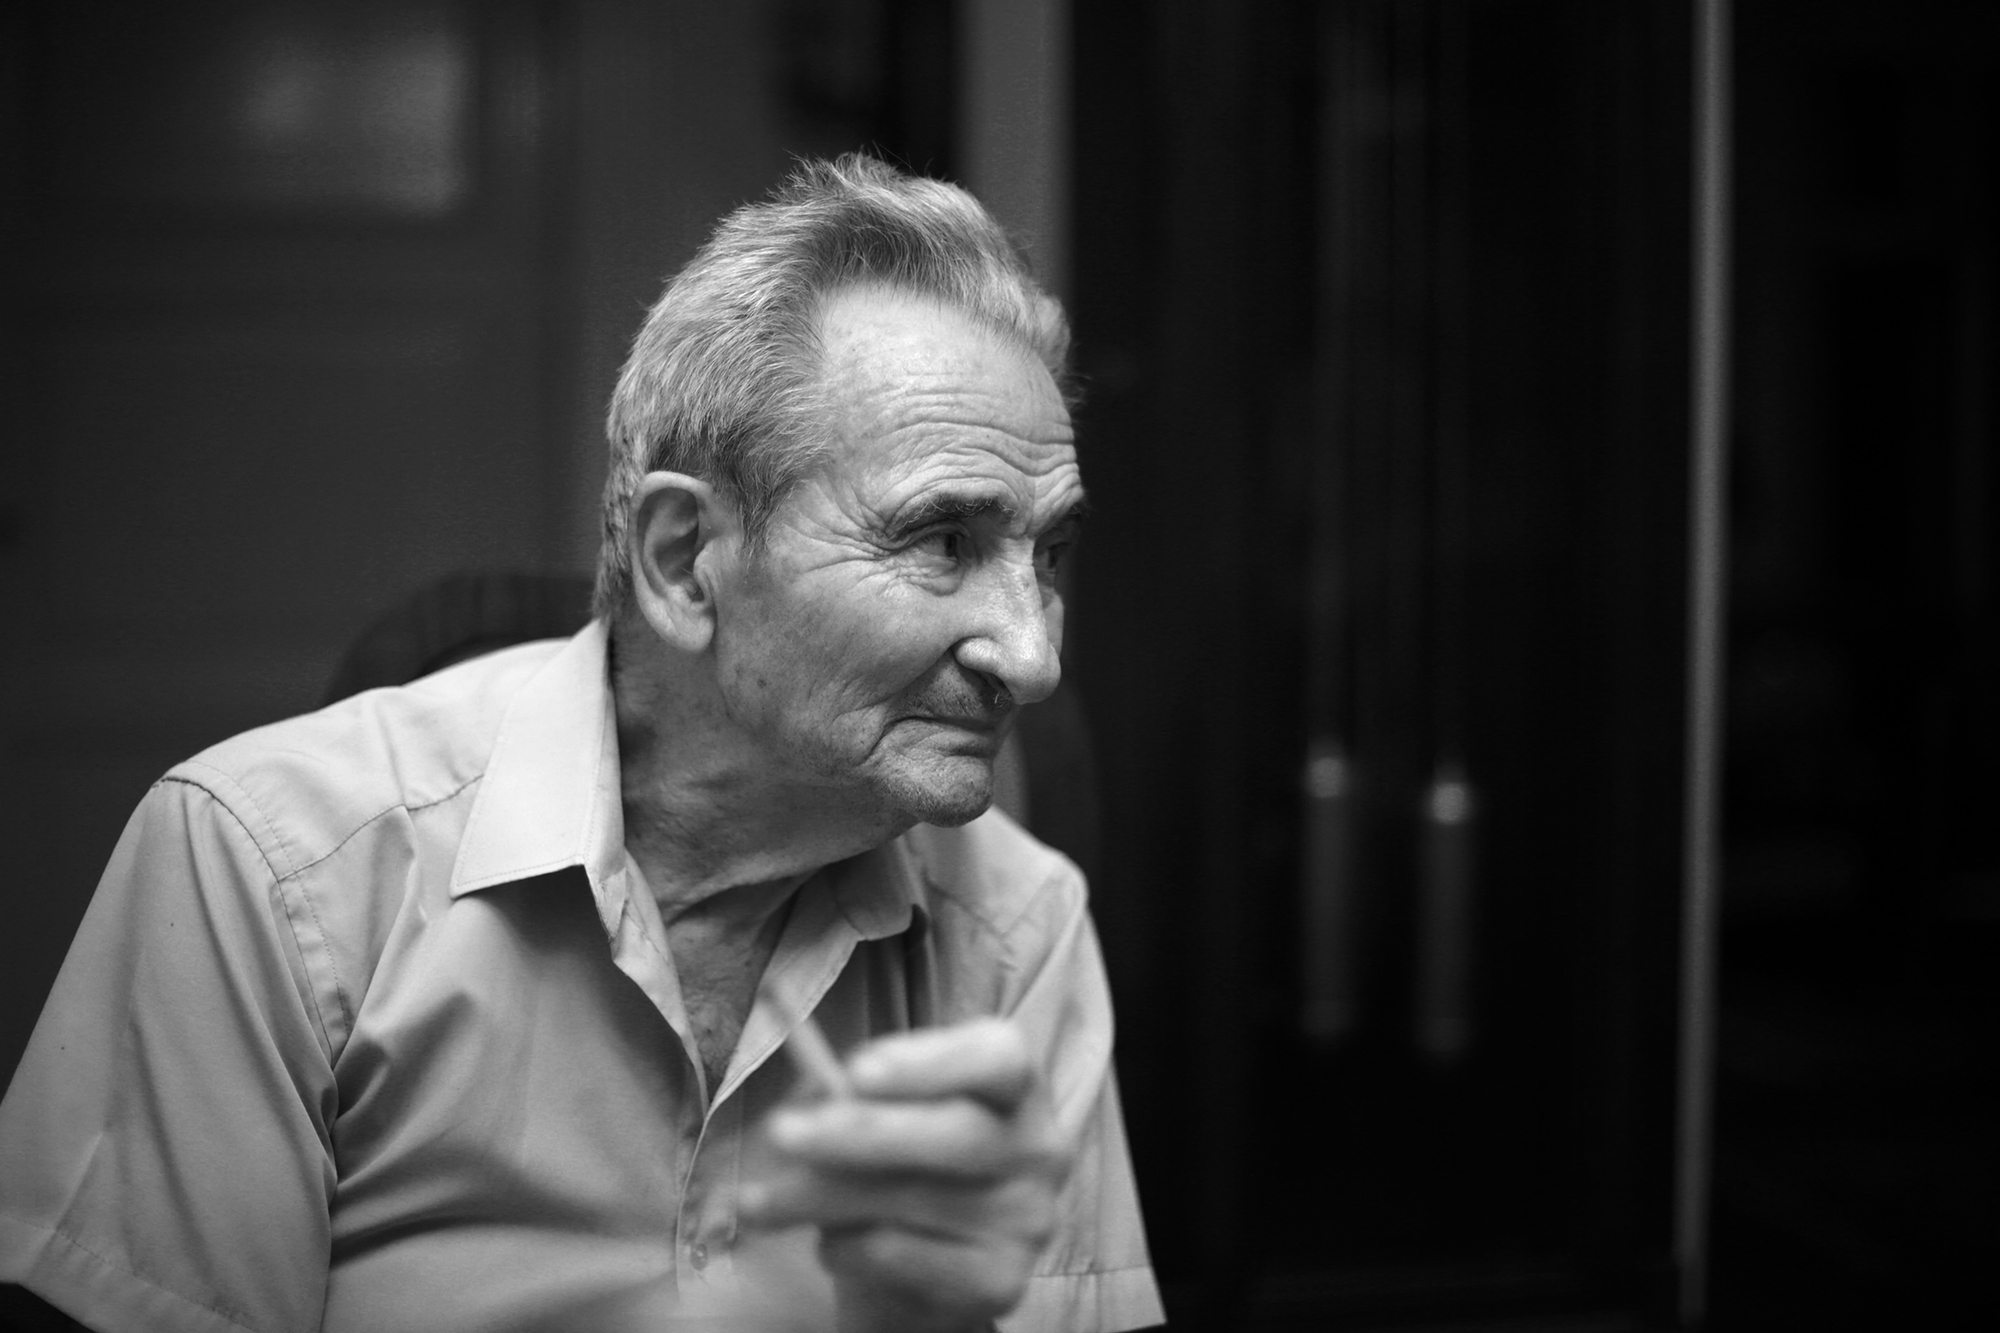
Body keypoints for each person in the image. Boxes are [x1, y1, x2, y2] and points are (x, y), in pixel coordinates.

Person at [0, 155, 1162, 1333]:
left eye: (1049, 555)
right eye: (942, 541)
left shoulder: (1014, 932)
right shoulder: (267, 867)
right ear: (681, 561)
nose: (1032, 655)